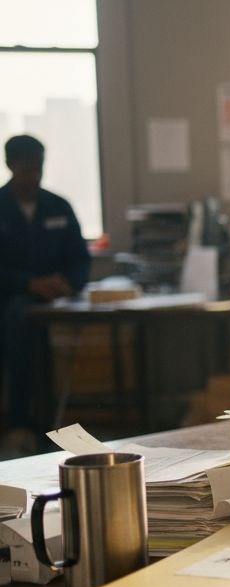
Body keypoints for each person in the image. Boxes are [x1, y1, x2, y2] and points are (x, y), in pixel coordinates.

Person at [0, 135, 91, 455]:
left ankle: (49, 425)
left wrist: (68, 282)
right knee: (17, 321)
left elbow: (80, 257)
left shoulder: (58, 206)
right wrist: (28, 283)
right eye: (26, 170)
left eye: (38, 169)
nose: (33, 177)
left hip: (56, 300)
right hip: (11, 301)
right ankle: (21, 424)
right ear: (10, 165)